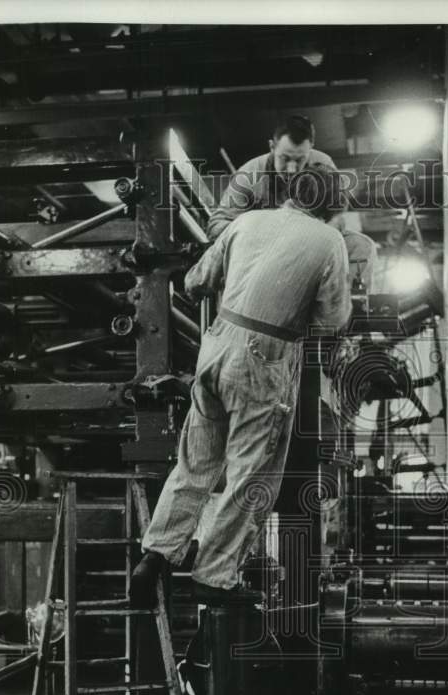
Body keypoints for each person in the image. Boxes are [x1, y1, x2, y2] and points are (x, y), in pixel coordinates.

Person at [131, 165, 352, 607]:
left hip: (214, 349)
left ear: (292, 192)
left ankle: (156, 555)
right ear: (332, 207)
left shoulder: (246, 222)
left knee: (195, 464)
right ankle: (213, 577)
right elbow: (331, 320)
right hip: (264, 359)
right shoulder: (330, 241)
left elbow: (194, 282)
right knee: (250, 475)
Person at [206, 114, 338, 241]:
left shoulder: (324, 166)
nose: (291, 169)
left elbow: (338, 217)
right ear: (272, 147)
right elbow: (215, 228)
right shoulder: (247, 176)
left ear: (311, 148)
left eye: (300, 160)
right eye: (285, 158)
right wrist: (261, 228)